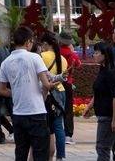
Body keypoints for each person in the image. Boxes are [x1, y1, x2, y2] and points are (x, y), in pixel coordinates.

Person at [0, 26, 66, 161]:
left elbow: (1, 90)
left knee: (21, 153)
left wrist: (18, 92)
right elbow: (46, 84)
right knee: (40, 153)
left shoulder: (5, 62)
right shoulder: (34, 58)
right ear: (28, 42)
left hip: (18, 115)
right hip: (36, 113)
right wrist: (52, 85)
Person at [82, 42, 115, 161]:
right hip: (108, 116)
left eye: (97, 52)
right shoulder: (103, 70)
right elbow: (99, 92)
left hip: (109, 117)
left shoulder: (112, 73)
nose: (94, 55)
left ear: (105, 55)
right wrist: (89, 106)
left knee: (102, 148)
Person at [39, 32, 68, 161]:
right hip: (60, 92)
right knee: (58, 126)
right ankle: (60, 156)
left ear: (45, 44)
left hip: (48, 93)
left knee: (47, 125)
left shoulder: (41, 57)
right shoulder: (62, 59)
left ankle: (46, 153)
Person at [56, 33, 80, 144]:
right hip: (67, 82)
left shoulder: (55, 52)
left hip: (55, 82)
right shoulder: (71, 54)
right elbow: (78, 64)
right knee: (68, 109)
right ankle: (68, 135)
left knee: (55, 108)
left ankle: (54, 132)